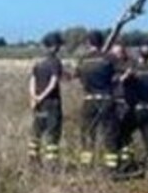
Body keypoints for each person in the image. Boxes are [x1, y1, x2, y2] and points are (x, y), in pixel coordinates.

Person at [73, 30, 117, 169]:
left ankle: (86, 168)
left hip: (89, 100)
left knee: (87, 134)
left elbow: (76, 75)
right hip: (106, 100)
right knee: (109, 135)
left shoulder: (82, 60)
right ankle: (112, 170)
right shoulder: (110, 58)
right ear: (102, 42)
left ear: (88, 43)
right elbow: (121, 74)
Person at [28, 32, 65, 165]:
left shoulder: (38, 64)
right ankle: (52, 164)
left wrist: (35, 97)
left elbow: (32, 81)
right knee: (52, 133)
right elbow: (54, 82)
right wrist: (43, 96)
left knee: (36, 132)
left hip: (39, 104)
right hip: (51, 103)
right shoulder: (55, 62)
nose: (60, 48)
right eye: (59, 45)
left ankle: (33, 161)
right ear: (54, 46)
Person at [109, 42, 137, 168]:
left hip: (127, 103)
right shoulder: (108, 66)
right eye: (115, 53)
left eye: (120, 52)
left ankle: (127, 162)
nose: (118, 55)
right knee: (114, 134)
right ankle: (115, 163)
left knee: (127, 134)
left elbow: (134, 74)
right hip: (113, 103)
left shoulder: (130, 64)